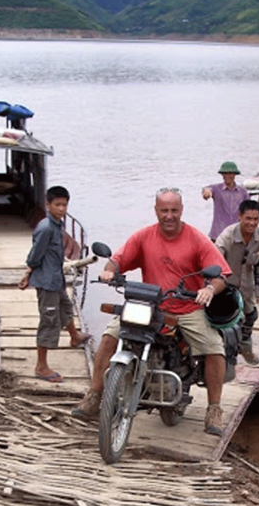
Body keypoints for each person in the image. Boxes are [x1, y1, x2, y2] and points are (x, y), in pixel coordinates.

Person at [73, 188, 233, 436]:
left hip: (187, 308)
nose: (169, 216)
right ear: (156, 211)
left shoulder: (197, 239)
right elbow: (117, 259)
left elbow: (221, 274)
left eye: (174, 210)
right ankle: (94, 394)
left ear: (182, 210)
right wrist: (108, 271)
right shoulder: (144, 236)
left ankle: (214, 409)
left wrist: (210, 289)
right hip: (150, 305)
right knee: (109, 336)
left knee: (214, 347)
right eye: (164, 210)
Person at [18, 186, 91, 383]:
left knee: (66, 306)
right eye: (57, 205)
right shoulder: (45, 228)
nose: (61, 209)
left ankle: (74, 335)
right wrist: (27, 273)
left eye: (64, 205)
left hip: (55, 278)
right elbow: (35, 255)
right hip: (47, 282)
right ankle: (41, 366)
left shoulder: (57, 225)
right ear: (48, 205)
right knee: (49, 321)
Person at [215, 200, 259, 366]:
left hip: (247, 286)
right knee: (224, 321)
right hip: (226, 286)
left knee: (251, 316)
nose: (252, 223)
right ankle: (219, 355)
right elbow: (214, 260)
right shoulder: (227, 236)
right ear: (239, 217)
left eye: (255, 219)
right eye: (248, 218)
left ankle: (246, 349)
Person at [202, 161, 250, 241]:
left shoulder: (242, 192)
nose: (227, 176)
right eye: (225, 174)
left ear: (234, 175)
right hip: (218, 234)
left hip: (236, 234)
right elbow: (207, 189)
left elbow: (248, 210)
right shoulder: (217, 189)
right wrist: (207, 193)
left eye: (230, 173)